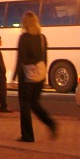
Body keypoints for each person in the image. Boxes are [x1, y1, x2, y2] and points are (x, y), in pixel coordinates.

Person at [13, 11, 57, 143]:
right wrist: (43, 74)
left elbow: (21, 58)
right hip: (39, 75)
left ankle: (27, 135)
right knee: (34, 102)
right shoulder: (42, 38)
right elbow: (45, 58)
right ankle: (50, 122)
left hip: (26, 76)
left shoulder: (24, 38)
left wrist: (15, 75)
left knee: (25, 105)